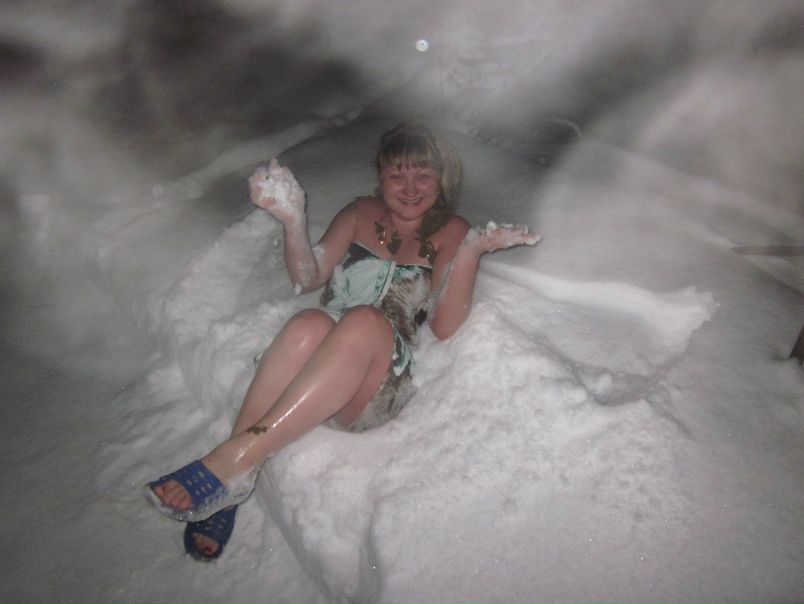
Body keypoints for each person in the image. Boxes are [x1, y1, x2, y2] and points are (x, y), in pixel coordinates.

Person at [144, 122, 540, 561]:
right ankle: (234, 480)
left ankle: (232, 459)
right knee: (307, 322)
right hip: (317, 375)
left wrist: (470, 252)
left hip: (377, 385)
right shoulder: (358, 213)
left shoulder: (452, 230)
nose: (410, 188)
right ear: (380, 176)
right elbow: (308, 277)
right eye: (397, 175)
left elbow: (445, 327)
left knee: (364, 320)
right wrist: (293, 223)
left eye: (423, 176)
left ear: (441, 180)